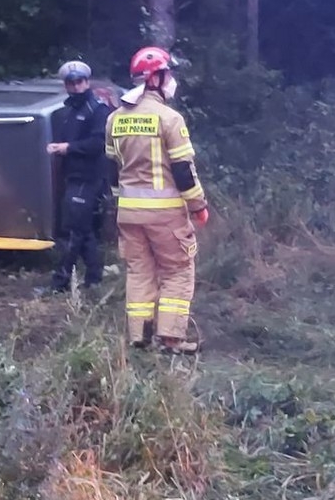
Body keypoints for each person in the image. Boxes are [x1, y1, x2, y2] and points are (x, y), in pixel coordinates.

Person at [106, 46, 209, 354]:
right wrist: (198, 206)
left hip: (128, 214)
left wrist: (119, 203)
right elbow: (183, 171)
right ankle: (171, 339)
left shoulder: (114, 119)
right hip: (165, 215)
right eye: (168, 74)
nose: (171, 80)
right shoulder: (169, 118)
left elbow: (112, 170)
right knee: (178, 271)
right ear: (155, 79)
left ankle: (139, 336)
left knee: (139, 273)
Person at [40, 60, 112, 295]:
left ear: (87, 82)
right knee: (84, 230)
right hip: (73, 177)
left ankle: (59, 283)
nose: (76, 86)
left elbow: (99, 143)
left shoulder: (98, 109)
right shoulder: (69, 110)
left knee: (73, 231)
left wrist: (67, 148)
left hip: (88, 178)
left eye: (79, 82)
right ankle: (94, 279)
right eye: (71, 83)